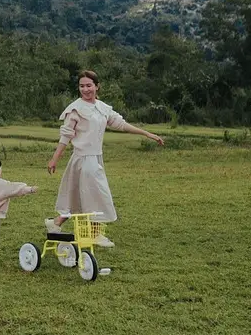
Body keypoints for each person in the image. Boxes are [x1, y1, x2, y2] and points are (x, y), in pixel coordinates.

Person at [44, 70, 164, 248]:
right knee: (97, 195)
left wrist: (147, 134)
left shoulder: (102, 108)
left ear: (97, 86)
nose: (85, 89)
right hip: (82, 159)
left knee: (78, 196)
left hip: (95, 158)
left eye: (89, 85)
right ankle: (95, 234)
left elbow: (121, 124)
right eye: (82, 86)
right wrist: (54, 159)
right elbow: (66, 136)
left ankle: (55, 224)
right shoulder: (75, 109)